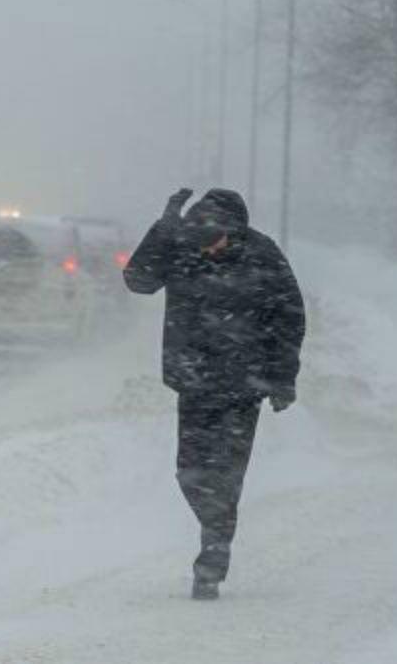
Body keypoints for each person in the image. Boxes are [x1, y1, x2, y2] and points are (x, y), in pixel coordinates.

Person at [123, 188, 306, 600]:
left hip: (245, 386)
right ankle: (215, 527)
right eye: (203, 241)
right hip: (195, 380)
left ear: (234, 230)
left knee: (226, 473)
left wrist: (283, 377)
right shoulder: (183, 247)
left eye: (217, 240)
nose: (210, 249)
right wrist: (165, 227)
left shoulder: (263, 254)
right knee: (189, 470)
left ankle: (213, 553)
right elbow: (138, 280)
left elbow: (289, 317)